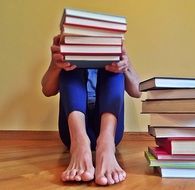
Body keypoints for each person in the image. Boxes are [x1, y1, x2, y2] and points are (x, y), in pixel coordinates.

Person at [41, 35, 141, 186]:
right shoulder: (67, 54)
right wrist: (57, 65)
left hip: (109, 132)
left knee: (115, 70)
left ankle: (106, 146)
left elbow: (137, 91)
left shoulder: (115, 55)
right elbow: (47, 90)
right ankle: (79, 145)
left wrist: (125, 66)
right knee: (69, 69)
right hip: (73, 131)